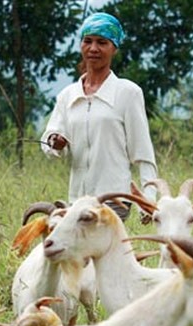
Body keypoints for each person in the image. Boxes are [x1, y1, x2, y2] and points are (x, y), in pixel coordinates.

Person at [40, 12, 157, 221]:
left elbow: (143, 152)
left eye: (102, 43)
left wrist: (148, 201)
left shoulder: (128, 93)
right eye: (88, 41)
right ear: (81, 45)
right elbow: (50, 140)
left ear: (114, 48)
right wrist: (55, 142)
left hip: (115, 198)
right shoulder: (68, 95)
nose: (93, 48)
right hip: (77, 199)